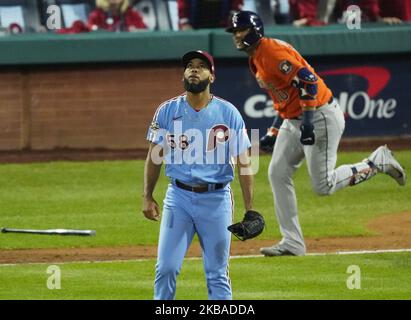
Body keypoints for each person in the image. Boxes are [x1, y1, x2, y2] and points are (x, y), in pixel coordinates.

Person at [226, 11, 406, 257]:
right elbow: (286, 95)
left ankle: (376, 163)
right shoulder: (257, 55)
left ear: (255, 30)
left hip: (319, 115)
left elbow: (308, 83)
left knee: (323, 185)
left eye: (241, 30)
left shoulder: (271, 53)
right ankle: (292, 242)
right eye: (235, 31)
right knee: (277, 174)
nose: (237, 35)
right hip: (295, 119)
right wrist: (274, 130)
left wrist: (309, 123)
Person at [143, 50, 254, 299]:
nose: (194, 69)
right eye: (190, 66)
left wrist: (250, 210)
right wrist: (147, 196)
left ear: (211, 76)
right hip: (178, 198)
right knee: (166, 268)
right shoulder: (167, 111)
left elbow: (245, 164)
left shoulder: (228, 113)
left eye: (201, 66)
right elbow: (154, 157)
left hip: (216, 200)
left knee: (216, 273)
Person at [178, 0, 243, 30]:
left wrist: (233, 17)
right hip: (193, 28)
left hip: (223, 27)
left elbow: (236, 7)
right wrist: (184, 23)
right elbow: (182, 11)